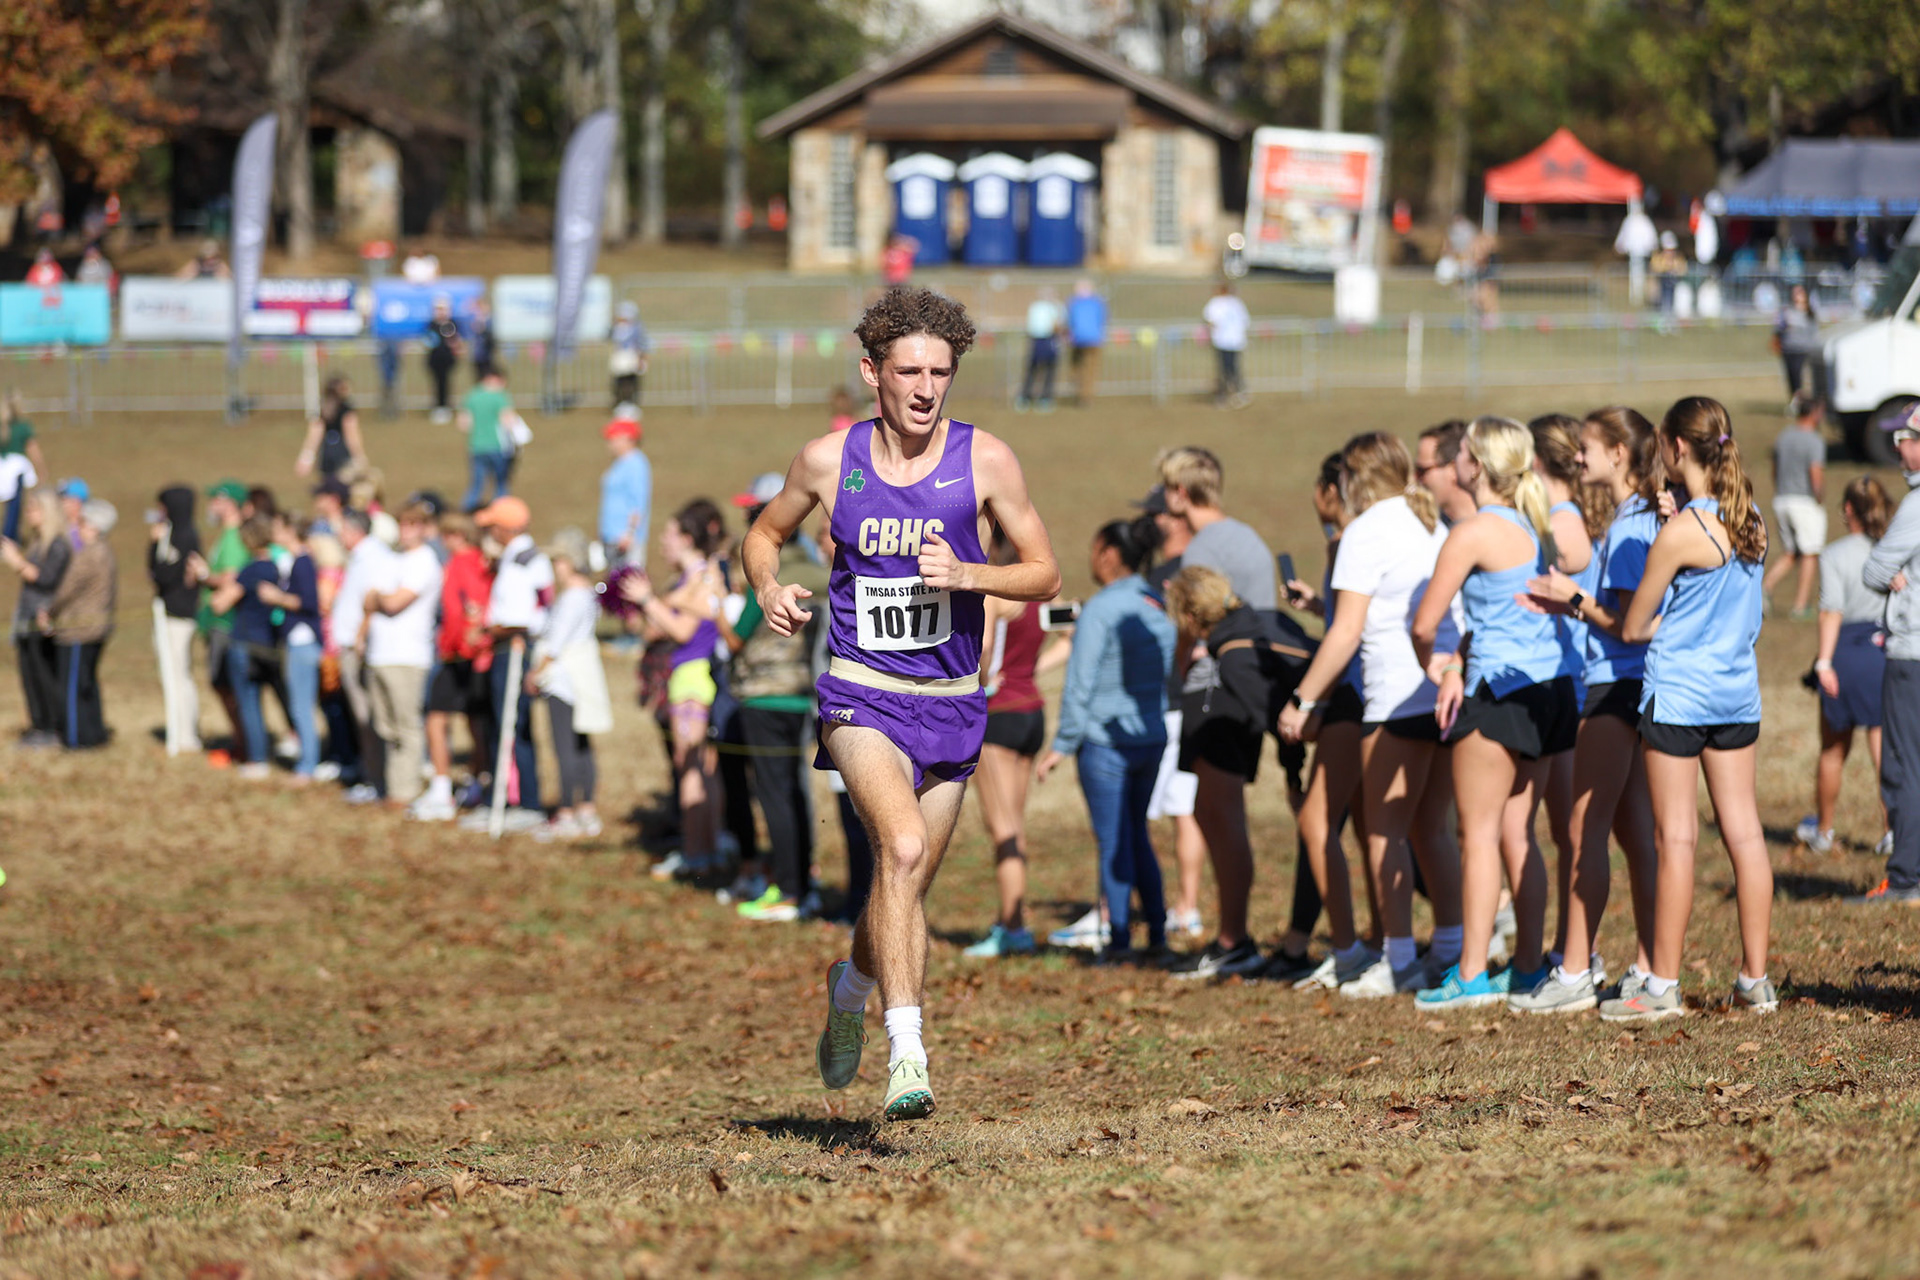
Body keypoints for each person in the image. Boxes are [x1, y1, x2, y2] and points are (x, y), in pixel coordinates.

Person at [741, 286, 1058, 1122]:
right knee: (906, 847)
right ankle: (908, 1055)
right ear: (872, 371)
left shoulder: (985, 460)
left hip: (953, 701)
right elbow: (763, 533)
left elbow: (1044, 573)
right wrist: (769, 585)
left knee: (901, 884)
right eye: (909, 370)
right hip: (862, 692)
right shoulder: (826, 460)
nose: (925, 388)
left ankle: (851, 988)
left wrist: (971, 574)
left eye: (941, 372)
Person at [1603, 396, 1775, 1020]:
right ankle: (1756, 980)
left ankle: (1663, 987)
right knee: (1745, 833)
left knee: (1675, 837)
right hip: (1737, 695)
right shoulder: (1751, 517)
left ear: (1676, 449)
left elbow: (1634, 624)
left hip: (1678, 697)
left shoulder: (1679, 532)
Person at [1279, 432, 1465, 999]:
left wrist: (1302, 701)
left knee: (1385, 832)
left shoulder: (1363, 531)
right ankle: (1453, 951)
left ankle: (1401, 960)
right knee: (1431, 829)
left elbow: (1345, 631)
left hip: (1392, 696)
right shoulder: (1429, 523)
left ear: (1353, 481)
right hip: (1443, 691)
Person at [1409, 417, 1575, 1009]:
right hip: (1553, 692)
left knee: (1476, 835)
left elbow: (1425, 623)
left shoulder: (1472, 532)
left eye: (1460, 453)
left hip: (1499, 695)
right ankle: (1528, 968)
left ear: (1473, 466)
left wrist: (1438, 665)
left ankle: (1472, 974)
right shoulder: (1539, 524)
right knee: (1517, 834)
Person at [1514, 406, 1665, 1014]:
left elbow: (1630, 629)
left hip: (1616, 686)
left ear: (1619, 454)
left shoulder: (1632, 526)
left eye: (1587, 449)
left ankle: (1575, 970)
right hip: (1623, 685)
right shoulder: (1634, 516)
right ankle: (1654, 966)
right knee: (1632, 832)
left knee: (1584, 828)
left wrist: (1572, 598)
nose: (1577, 458)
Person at [1155, 446, 1278, 977]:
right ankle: (1234, 935)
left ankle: (1234, 938)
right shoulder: (1246, 535)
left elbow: (1192, 626)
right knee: (1215, 809)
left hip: (1219, 689)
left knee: (1221, 813)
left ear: (1180, 493)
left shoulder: (1203, 546)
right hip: (1244, 684)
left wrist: (1180, 671)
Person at [1036, 516, 1177, 963]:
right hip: (1151, 739)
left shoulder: (1101, 609)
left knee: (1113, 840)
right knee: (1137, 834)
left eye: (1095, 549)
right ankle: (1156, 931)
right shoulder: (1157, 605)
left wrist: (1063, 743)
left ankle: (1118, 939)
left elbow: (1081, 683)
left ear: (1110, 555)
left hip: (1106, 745)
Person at [1278, 454, 1372, 992]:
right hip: (1365, 695)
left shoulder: (1346, 542)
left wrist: (1306, 701)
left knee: (1318, 823)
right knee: (1365, 826)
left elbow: (1348, 637)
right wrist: (1318, 606)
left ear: (1331, 490)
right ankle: (1376, 943)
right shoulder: (1371, 538)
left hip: (1346, 696)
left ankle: (1347, 949)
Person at [721, 483, 832, 920]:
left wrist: (715, 605)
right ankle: (804, 884)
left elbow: (737, 637)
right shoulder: (813, 570)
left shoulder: (767, 580)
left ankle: (787, 890)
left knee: (774, 796)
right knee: (792, 792)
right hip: (800, 695)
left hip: (765, 697)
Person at [965, 531, 1071, 957]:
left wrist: (980, 682)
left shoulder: (993, 587)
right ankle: (1013, 918)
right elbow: (1071, 633)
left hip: (997, 715)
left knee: (1002, 828)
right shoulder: (1036, 591)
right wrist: (1032, 670)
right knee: (1016, 825)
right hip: (1032, 712)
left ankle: (1013, 927)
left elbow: (984, 648)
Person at [1526, 414, 1604, 988]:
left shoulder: (1560, 519)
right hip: (1570, 683)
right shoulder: (1562, 514)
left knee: (1571, 829)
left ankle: (1577, 951)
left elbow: (1571, 567)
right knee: (1565, 829)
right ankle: (1567, 947)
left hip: (1573, 685)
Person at [623, 500, 728, 878]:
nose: (663, 543)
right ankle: (706, 845)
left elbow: (683, 630)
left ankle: (698, 852)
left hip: (692, 678)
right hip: (689, 676)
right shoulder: (695, 577)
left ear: (687, 539)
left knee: (693, 769)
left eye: (668, 535)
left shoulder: (702, 576)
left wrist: (648, 600)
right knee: (701, 768)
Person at [1798, 477, 1893, 855]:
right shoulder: (1890, 550)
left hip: (1844, 655)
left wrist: (1823, 663)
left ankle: (1824, 831)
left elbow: (1830, 611)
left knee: (1832, 751)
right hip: (1882, 651)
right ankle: (1892, 832)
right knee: (1884, 751)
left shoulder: (1834, 554)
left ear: (1849, 509)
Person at [1857, 412, 1920, 905]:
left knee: (1903, 766)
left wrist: (1892, 573)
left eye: (1903, 439)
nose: (1898, 450)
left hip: (1911, 654)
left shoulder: (1916, 505)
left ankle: (1905, 879)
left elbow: (1875, 566)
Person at [1139, 485, 1206, 941]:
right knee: (1187, 808)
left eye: (1155, 515)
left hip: (1167, 703)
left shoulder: (1163, 575)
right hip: (1197, 702)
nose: (1150, 524)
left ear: (1174, 517)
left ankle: (1124, 906)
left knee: (1137, 809)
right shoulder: (1205, 567)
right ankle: (1189, 905)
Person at [473, 497, 552, 831]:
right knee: (507, 725)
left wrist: (489, 628)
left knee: (512, 725)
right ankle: (509, 798)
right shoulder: (517, 558)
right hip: (510, 648)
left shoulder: (522, 560)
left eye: (493, 526)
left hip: (514, 649)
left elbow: (521, 617)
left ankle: (524, 802)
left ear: (505, 528)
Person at [414, 513, 495, 821]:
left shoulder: (465, 562)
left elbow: (472, 608)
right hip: (458, 653)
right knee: (464, 721)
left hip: (463, 655)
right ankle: (468, 781)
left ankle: (450, 785)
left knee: (446, 720)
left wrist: (465, 644)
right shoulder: (465, 562)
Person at [529, 529, 609, 841]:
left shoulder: (572, 599)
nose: (555, 567)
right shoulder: (589, 596)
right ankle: (585, 806)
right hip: (583, 677)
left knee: (564, 747)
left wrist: (535, 674)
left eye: (559, 560)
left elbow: (555, 643)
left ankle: (565, 810)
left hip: (563, 681)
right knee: (581, 743)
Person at [362, 503, 443, 808]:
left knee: (405, 725)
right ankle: (386, 784)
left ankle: (404, 790)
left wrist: (381, 598)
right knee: (384, 725)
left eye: (413, 524)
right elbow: (369, 599)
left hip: (408, 655)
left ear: (424, 528)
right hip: (379, 654)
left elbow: (393, 601)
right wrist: (381, 599)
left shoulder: (425, 562)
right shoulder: (392, 559)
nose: (407, 530)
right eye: (403, 524)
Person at [208, 516, 282, 779]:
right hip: (269, 644)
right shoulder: (276, 567)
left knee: (248, 703)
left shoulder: (250, 570)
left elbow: (220, 604)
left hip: (243, 644)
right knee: (271, 698)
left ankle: (257, 759)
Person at [0, 490, 70, 745]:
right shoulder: (38, 542)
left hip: (44, 620)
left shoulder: (58, 545)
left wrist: (17, 562)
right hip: (26, 617)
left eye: (33, 509)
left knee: (44, 675)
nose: (29, 514)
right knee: (29, 675)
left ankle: (52, 728)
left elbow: (47, 579)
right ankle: (38, 725)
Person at [331, 510, 390, 803]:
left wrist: (360, 637)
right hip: (353, 645)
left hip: (360, 648)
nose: (338, 535)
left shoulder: (372, 557)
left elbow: (372, 600)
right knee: (363, 716)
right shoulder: (360, 557)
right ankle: (372, 775)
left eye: (341, 529)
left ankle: (378, 779)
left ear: (354, 531)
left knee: (369, 716)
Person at [48, 498, 117, 750]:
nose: (78, 526)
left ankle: (76, 739)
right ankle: (94, 733)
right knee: (87, 683)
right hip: (95, 628)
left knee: (72, 686)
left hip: (79, 630)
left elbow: (67, 587)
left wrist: (49, 610)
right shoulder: (104, 551)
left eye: (83, 522)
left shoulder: (89, 553)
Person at [198, 481, 252, 762]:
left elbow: (232, 576)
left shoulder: (234, 536)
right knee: (223, 685)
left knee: (228, 685)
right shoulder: (227, 535)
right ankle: (242, 742)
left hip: (228, 622)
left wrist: (205, 577)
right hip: (218, 622)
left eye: (215, 500)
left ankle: (245, 745)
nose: (211, 506)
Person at [269, 512, 324, 782]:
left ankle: (308, 765)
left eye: (278, 528)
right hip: (298, 642)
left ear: (291, 530)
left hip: (303, 643)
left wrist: (276, 597)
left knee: (302, 705)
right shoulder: (298, 560)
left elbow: (309, 602)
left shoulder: (302, 562)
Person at [148, 487, 204, 754]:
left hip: (179, 616)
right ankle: (181, 731)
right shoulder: (178, 534)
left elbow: (163, 575)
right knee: (177, 673)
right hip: (169, 614)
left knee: (179, 674)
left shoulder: (184, 536)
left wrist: (154, 545)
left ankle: (186, 734)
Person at [1764, 392, 1826, 619]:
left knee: (1791, 552)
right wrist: (1819, 497)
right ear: (1815, 413)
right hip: (1804, 501)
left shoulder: (1783, 436)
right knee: (1810, 553)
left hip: (1782, 498)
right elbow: (1815, 473)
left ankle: (1765, 587)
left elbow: (1774, 468)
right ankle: (1800, 606)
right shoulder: (1814, 440)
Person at [458, 365, 517, 513]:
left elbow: (464, 424)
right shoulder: (500, 396)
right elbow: (508, 421)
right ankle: (501, 513)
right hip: (498, 446)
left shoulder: (472, 396)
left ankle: (466, 511)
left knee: (476, 484)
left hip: (476, 446)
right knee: (500, 484)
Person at [599, 413, 652, 567]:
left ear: (628, 437)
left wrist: (630, 533)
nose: (610, 442)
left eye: (613, 437)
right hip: (612, 537)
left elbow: (638, 501)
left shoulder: (636, 463)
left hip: (625, 540)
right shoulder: (619, 463)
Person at [297, 376, 366, 483]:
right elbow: (351, 436)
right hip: (342, 453)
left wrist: (306, 458)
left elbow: (314, 435)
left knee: (328, 486)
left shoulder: (322, 409)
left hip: (326, 453)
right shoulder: (346, 410)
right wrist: (359, 457)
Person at [2, 391, 48, 543]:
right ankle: (8, 538)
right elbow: (33, 450)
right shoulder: (23, 427)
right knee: (14, 507)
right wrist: (42, 471)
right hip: (17, 470)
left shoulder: (3, 426)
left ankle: (12, 535)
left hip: (2, 468)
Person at [1416, 420, 1477, 527]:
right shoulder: (1424, 527)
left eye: (1422, 471)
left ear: (1454, 469)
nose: (1415, 477)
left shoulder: (1494, 529)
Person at [1202, 282, 1250, 409]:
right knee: (1232, 368)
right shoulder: (1236, 303)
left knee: (1226, 369)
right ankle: (1235, 393)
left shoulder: (1216, 303)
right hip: (1234, 341)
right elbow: (1245, 321)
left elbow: (1210, 321)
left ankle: (1227, 395)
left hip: (1224, 341)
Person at [1017, 288, 1062, 412]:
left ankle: (1043, 397)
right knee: (1035, 369)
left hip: (1047, 339)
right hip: (1040, 339)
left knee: (1046, 370)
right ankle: (1028, 396)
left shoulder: (1053, 307)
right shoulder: (1041, 307)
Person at [1773, 284, 1820, 400]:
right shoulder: (1787, 311)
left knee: (1798, 374)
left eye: (1799, 293)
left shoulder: (1809, 313)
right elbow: (1778, 329)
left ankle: (1800, 401)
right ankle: (1794, 400)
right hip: (1788, 348)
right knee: (1791, 377)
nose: (1797, 296)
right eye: (1795, 293)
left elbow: (1814, 331)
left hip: (1802, 349)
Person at [1066, 279, 1108, 406]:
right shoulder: (1098, 303)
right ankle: (1086, 396)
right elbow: (1103, 319)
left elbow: (1069, 321)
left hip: (1078, 339)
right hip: (1094, 339)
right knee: (1090, 370)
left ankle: (1081, 392)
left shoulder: (1073, 303)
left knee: (1079, 368)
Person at [424, 298, 463, 424]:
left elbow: (457, 341)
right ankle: (438, 406)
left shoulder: (452, 323)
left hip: (447, 359)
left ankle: (446, 406)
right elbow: (427, 340)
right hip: (435, 359)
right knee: (436, 382)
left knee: (446, 382)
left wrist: (456, 345)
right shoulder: (431, 324)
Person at [610, 302, 651, 407]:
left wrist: (641, 357)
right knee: (619, 381)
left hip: (632, 356)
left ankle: (631, 403)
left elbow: (642, 342)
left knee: (632, 381)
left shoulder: (637, 327)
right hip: (620, 357)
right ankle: (619, 402)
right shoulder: (617, 328)